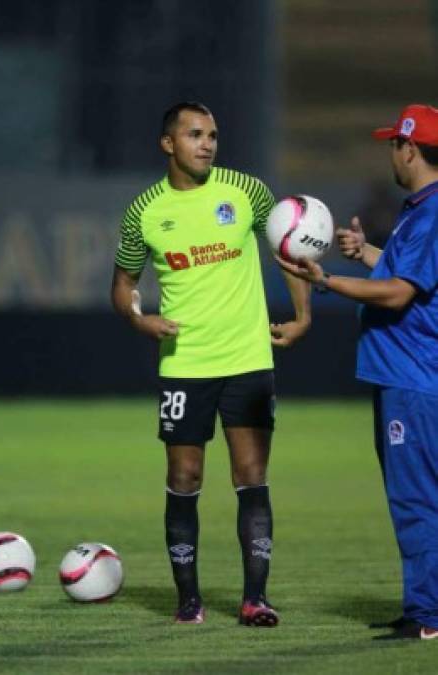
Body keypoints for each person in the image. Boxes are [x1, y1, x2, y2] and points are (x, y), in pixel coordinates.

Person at [111, 101, 311, 625]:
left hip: (248, 356)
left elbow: (286, 250)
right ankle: (189, 601)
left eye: (214, 135)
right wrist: (139, 321)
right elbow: (124, 286)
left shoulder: (245, 191)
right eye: (196, 134)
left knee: (251, 474)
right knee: (185, 475)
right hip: (185, 364)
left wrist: (302, 314)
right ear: (168, 144)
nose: (208, 143)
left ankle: (255, 600)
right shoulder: (144, 212)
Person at [276, 103, 438, 641]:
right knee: (416, 498)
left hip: (414, 380)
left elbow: (398, 293)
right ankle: (424, 606)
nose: (390, 150)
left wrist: (327, 282)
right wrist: (365, 252)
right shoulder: (421, 208)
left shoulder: (433, 211)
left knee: (417, 501)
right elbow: (404, 273)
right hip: (407, 378)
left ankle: (428, 615)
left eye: (394, 142)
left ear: (410, 149)